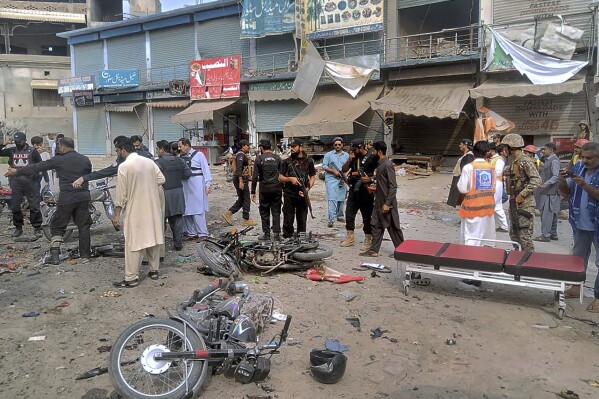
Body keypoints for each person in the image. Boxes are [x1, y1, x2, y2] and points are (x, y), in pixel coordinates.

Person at [6, 137, 92, 264]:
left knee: (57, 226)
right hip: (84, 196)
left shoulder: (58, 159)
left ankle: (55, 256)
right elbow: (87, 173)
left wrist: (17, 171)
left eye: (59, 147)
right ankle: (85, 256)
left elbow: (38, 167)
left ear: (62, 147)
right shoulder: (85, 159)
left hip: (67, 197)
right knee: (84, 226)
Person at [112, 138, 165, 288]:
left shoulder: (124, 166)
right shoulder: (149, 162)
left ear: (123, 149)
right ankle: (154, 271)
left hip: (135, 209)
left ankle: (131, 278)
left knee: (133, 243)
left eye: (117, 151)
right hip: (152, 207)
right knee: (152, 238)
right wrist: (147, 186)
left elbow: (121, 195)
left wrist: (117, 214)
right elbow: (161, 179)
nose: (118, 153)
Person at [558, 142, 599, 312]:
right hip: (580, 223)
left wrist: (583, 185)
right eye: (583, 157)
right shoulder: (579, 168)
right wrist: (562, 180)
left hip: (596, 223)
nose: (585, 160)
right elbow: (566, 191)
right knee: (578, 258)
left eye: (589, 158)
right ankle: (575, 287)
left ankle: (598, 297)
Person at [360, 141, 404, 257]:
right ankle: (374, 250)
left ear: (379, 152)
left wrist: (387, 203)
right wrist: (372, 182)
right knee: (376, 224)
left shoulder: (387, 165)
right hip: (379, 200)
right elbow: (382, 181)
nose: (372, 153)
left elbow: (393, 186)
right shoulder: (380, 165)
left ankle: (402, 251)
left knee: (393, 226)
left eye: (374, 151)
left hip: (386, 202)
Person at [0, 131, 47, 238]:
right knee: (15, 206)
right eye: (15, 142)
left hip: (32, 183)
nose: (17, 144)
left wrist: (42, 178)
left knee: (34, 206)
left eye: (19, 141)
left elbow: (41, 165)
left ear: (25, 140)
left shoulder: (33, 151)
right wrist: (4, 143)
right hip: (16, 183)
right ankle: (18, 227)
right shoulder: (11, 150)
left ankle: (37, 227)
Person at [501, 133, 542, 252]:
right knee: (514, 236)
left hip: (525, 205)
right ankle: (518, 260)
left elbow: (536, 180)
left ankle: (530, 263)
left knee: (524, 237)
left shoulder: (525, 161)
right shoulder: (514, 162)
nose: (504, 150)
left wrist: (522, 194)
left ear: (511, 147)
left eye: (506, 147)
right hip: (515, 202)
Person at [340, 139, 378, 249]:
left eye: (355, 149)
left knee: (367, 216)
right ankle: (350, 237)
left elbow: (379, 173)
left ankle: (368, 239)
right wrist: (349, 159)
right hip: (353, 190)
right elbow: (344, 169)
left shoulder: (372, 158)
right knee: (349, 214)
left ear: (360, 148)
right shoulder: (354, 158)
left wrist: (370, 179)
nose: (353, 151)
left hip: (366, 190)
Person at [457, 141, 496, 246]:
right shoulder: (491, 168)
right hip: (488, 207)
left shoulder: (468, 167)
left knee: (471, 238)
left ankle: (470, 259)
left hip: (472, 208)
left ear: (473, 152)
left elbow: (462, 188)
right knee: (485, 238)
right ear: (486, 153)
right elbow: (494, 187)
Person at [155, 140, 192, 251]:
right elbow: (188, 174)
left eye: (157, 149)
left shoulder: (158, 163)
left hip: (163, 192)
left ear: (161, 149)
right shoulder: (180, 160)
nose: (157, 151)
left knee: (161, 220)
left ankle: (160, 249)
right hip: (178, 192)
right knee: (177, 218)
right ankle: (178, 244)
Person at [279, 138, 316, 238]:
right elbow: (280, 177)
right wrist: (290, 179)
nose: (292, 148)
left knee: (302, 217)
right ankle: (287, 236)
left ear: (300, 147)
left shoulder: (309, 161)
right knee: (288, 217)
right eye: (291, 147)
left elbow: (312, 176)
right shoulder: (287, 161)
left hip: (302, 193)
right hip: (289, 193)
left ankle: (301, 237)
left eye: (294, 146)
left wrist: (308, 188)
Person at [178, 138, 212, 241]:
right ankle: (191, 232)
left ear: (187, 145)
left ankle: (202, 233)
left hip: (197, 183)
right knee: (187, 209)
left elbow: (206, 169)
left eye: (181, 146)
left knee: (198, 209)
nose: (179, 148)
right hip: (185, 184)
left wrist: (208, 184)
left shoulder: (199, 155)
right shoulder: (180, 157)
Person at [251, 139, 282, 241]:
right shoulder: (277, 158)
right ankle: (277, 234)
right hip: (276, 188)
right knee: (276, 211)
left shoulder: (259, 159)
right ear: (270, 147)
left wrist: (253, 192)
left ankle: (267, 234)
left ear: (261, 148)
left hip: (264, 189)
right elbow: (282, 174)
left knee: (264, 211)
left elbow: (255, 177)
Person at [223, 140, 256, 226]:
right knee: (246, 199)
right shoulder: (240, 155)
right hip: (240, 179)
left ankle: (229, 213)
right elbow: (239, 168)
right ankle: (246, 219)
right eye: (247, 145)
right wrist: (241, 181)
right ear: (243, 146)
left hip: (240, 178)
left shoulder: (241, 154)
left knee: (242, 199)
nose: (248, 147)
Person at [534, 143, 560, 242]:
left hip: (549, 192)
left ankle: (545, 235)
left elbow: (556, 176)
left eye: (545, 149)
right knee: (551, 214)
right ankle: (553, 233)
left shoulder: (554, 161)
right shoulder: (548, 160)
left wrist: (546, 184)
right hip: (549, 191)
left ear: (551, 150)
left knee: (546, 214)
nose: (543, 151)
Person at [322, 137, 349, 228]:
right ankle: (331, 219)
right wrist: (334, 172)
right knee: (332, 198)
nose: (337, 146)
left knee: (341, 198)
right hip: (331, 179)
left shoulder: (346, 155)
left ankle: (340, 216)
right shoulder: (328, 155)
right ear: (333, 145)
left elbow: (350, 166)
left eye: (339, 144)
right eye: (336, 144)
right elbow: (324, 166)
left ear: (342, 145)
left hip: (343, 179)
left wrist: (344, 175)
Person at [447, 139, 474, 208]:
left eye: (461, 144)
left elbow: (466, 170)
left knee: (462, 196)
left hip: (461, 178)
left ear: (465, 145)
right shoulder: (466, 155)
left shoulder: (469, 156)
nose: (459, 146)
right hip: (459, 177)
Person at [488, 143, 509, 233]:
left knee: (496, 205)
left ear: (492, 151)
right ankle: (503, 226)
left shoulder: (498, 160)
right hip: (493, 184)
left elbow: (497, 172)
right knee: (496, 206)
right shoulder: (492, 159)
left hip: (496, 184)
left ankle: (504, 226)